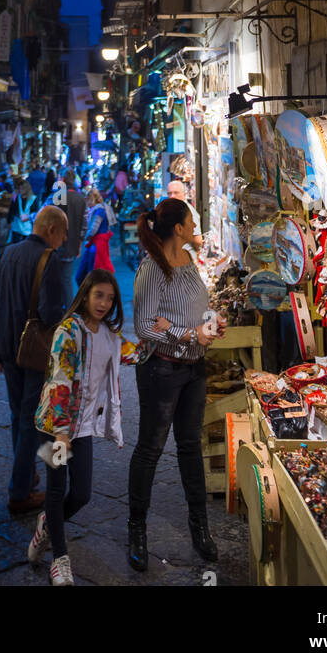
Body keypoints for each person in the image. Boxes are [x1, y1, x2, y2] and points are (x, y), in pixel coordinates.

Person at [28, 270, 160, 586]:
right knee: (56, 489)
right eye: (98, 295)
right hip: (53, 426)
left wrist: (158, 330)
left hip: (83, 427)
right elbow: (60, 380)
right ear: (85, 294)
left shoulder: (109, 336)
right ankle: (59, 560)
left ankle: (47, 524)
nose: (104, 303)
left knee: (83, 494)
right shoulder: (67, 332)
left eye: (110, 298)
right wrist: (61, 431)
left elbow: (137, 354)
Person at [127, 197, 226, 573]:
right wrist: (188, 334)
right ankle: (137, 530)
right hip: (161, 371)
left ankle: (199, 528)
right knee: (150, 450)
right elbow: (145, 326)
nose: (195, 225)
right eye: (191, 220)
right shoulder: (153, 269)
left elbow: (195, 307)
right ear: (179, 228)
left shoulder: (189, 262)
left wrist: (211, 322)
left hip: (194, 370)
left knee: (190, 448)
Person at [0, 204, 68, 515]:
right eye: (63, 233)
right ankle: (19, 491)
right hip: (32, 351)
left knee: (18, 413)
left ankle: (27, 474)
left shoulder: (8, 252)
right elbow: (49, 312)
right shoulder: (49, 258)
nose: (64, 239)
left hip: (5, 345)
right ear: (51, 230)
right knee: (32, 419)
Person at [55, 167, 86, 308]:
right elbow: (84, 225)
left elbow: (53, 218)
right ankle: (67, 307)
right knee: (66, 278)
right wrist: (79, 244)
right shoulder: (80, 198)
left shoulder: (60, 195)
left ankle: (64, 307)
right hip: (72, 244)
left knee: (59, 278)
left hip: (58, 243)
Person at [75, 188, 115, 286]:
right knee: (89, 274)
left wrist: (84, 237)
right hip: (96, 245)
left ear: (91, 199)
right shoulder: (101, 209)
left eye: (87, 200)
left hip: (96, 246)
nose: (86, 203)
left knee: (90, 274)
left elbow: (93, 229)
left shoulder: (99, 210)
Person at [9, 178, 35, 243]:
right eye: (19, 188)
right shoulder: (16, 197)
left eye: (22, 189)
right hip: (16, 227)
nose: (20, 190)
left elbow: (35, 212)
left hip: (27, 228)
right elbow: (11, 209)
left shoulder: (33, 198)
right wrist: (9, 221)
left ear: (27, 189)